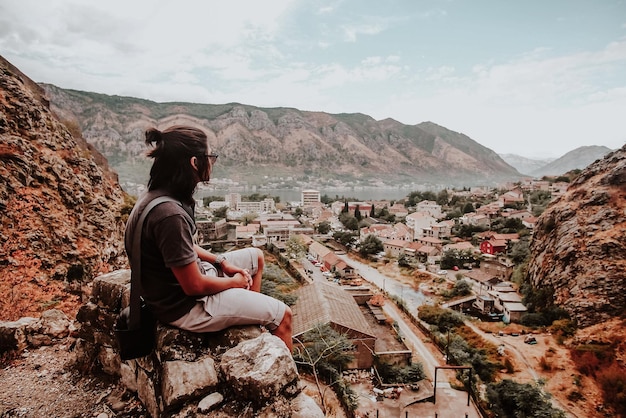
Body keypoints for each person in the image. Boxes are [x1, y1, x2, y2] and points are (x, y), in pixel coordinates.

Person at [124, 125, 292, 351]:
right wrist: (235, 283)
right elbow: (194, 285)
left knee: (256, 257)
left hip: (171, 292)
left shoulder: (156, 197)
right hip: (185, 307)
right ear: (195, 162)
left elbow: (185, 247)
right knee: (284, 316)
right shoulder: (169, 215)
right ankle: (280, 368)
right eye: (210, 157)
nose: (212, 162)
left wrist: (221, 262)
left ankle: (252, 319)